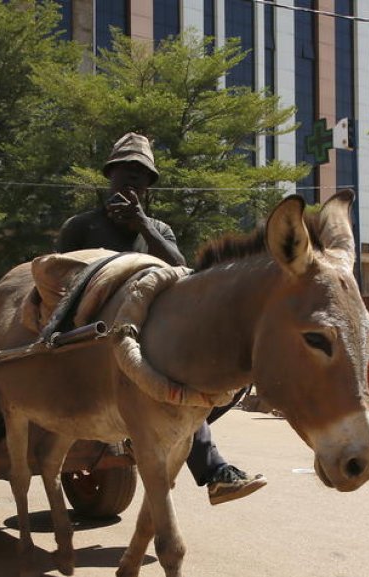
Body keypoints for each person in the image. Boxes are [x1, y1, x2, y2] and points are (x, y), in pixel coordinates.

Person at [55, 132, 266, 505]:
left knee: (202, 385)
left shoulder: (158, 230)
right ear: (111, 175)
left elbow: (182, 270)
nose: (134, 178)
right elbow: (60, 286)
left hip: (148, 341)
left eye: (142, 174)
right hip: (91, 341)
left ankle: (191, 457)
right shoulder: (81, 227)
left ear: (149, 187)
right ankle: (211, 467)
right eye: (126, 171)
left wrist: (142, 225)